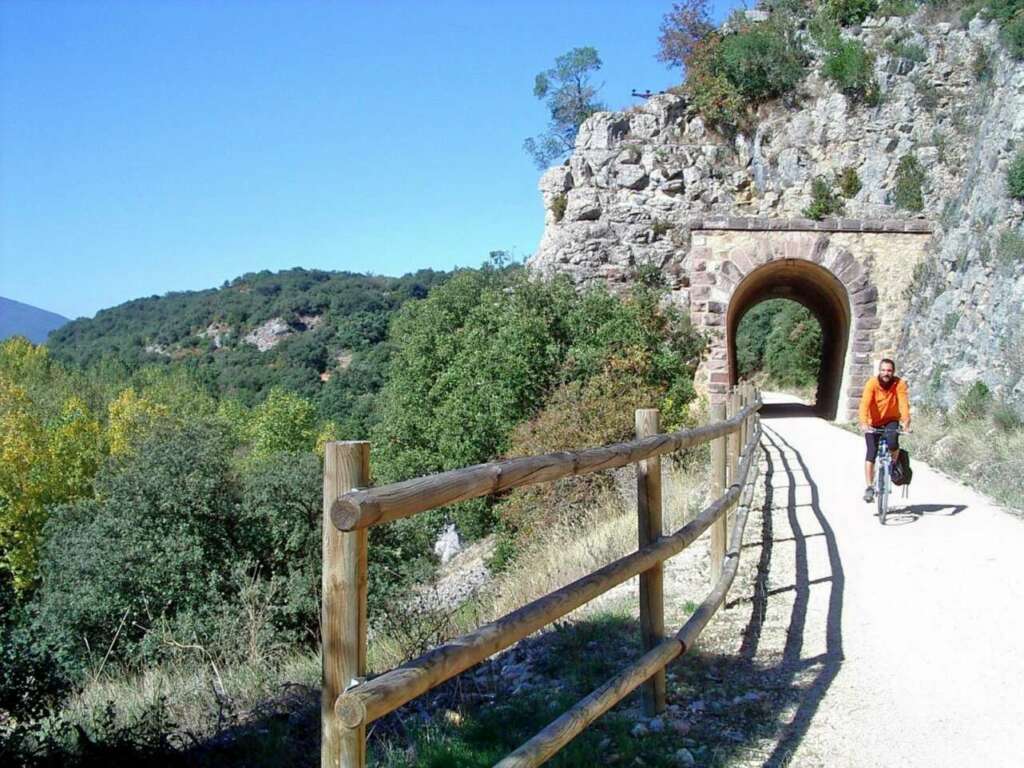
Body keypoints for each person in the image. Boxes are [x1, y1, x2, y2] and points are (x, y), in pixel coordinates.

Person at [859, 358, 911, 503]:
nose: (886, 373)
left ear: (893, 372)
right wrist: (863, 423)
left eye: (889, 370)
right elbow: (864, 404)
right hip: (872, 422)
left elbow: (903, 404)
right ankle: (869, 487)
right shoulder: (872, 384)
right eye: (883, 370)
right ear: (879, 371)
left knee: (893, 443)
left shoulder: (899, 384)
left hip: (890, 420)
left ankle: (893, 465)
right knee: (871, 452)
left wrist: (906, 422)